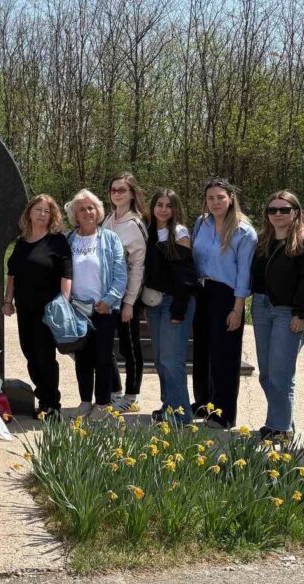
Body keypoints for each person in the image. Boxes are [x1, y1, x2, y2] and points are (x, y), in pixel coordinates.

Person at [250, 190, 304, 442]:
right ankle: (283, 423)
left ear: (296, 212)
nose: (278, 214)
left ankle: (279, 429)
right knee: (266, 374)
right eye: (273, 210)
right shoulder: (264, 241)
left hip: (289, 313)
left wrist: (303, 314)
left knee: (281, 374)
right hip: (262, 309)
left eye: (284, 209)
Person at [191, 178, 257, 428]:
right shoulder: (202, 223)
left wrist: (237, 309)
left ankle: (223, 412)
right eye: (210, 198)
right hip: (202, 290)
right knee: (202, 351)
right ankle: (203, 402)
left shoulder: (243, 231)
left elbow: (244, 273)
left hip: (227, 294)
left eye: (220, 197)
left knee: (225, 355)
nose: (215, 202)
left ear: (230, 198)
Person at [3, 194, 72, 420]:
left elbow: (66, 273)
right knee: (30, 353)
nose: (43, 214)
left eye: (47, 211)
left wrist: (63, 303)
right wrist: (7, 301)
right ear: (29, 213)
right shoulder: (21, 243)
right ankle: (42, 397)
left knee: (45, 356)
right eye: (39, 210)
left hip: (48, 310)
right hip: (25, 308)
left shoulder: (57, 241)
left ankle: (52, 405)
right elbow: (12, 274)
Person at [65, 189, 127, 417]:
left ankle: (102, 403)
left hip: (104, 309)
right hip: (77, 310)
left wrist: (109, 300)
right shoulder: (69, 239)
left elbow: (121, 275)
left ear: (98, 211)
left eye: (90, 208)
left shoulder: (110, 239)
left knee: (102, 357)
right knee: (82, 358)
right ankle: (84, 401)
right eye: (81, 209)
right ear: (75, 214)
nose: (87, 212)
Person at [142, 189, 197, 423]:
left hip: (175, 302)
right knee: (160, 359)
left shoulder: (180, 234)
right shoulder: (149, 233)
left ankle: (181, 414)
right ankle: (168, 406)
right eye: (159, 205)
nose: (164, 209)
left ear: (176, 209)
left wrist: (179, 309)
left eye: (169, 205)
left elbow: (185, 277)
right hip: (155, 302)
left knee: (172, 360)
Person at [101, 172, 149, 411]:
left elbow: (138, 265)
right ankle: (115, 390)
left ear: (132, 194)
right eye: (113, 190)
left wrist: (130, 302)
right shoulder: (108, 219)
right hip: (107, 294)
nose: (117, 194)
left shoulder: (135, 224)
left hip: (127, 296)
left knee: (129, 346)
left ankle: (131, 397)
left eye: (122, 190)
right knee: (107, 344)